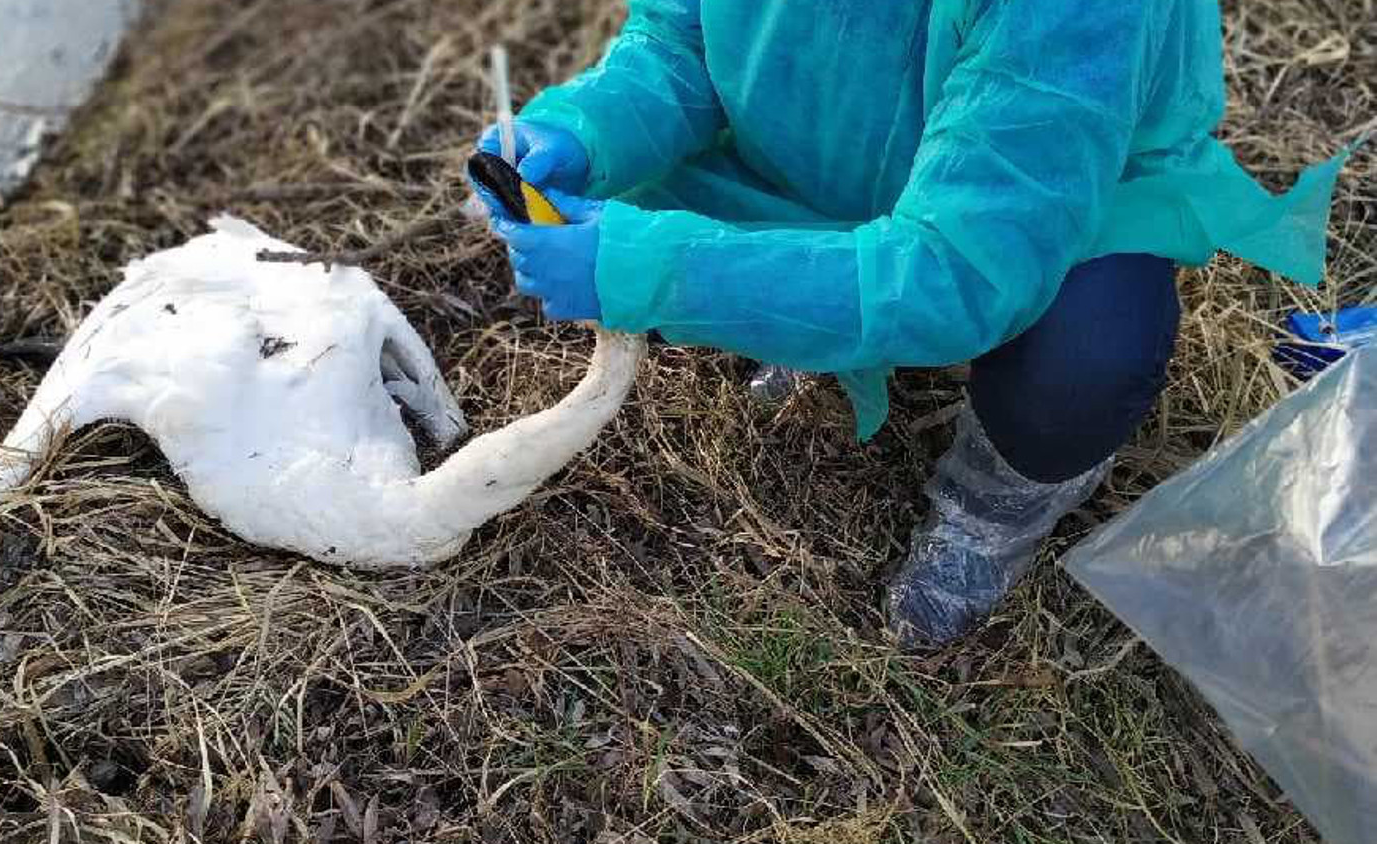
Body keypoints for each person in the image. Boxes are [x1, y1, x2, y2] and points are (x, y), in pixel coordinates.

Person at [468, 0, 1350, 647]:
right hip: (821, 158)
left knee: (1084, 356)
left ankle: (995, 502)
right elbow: (681, 46)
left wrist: (655, 264)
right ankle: (816, 300)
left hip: (1041, 208)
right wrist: (585, 134)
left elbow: (962, 269)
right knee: (690, 238)